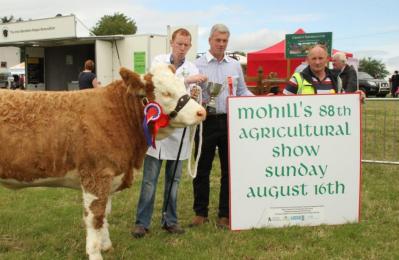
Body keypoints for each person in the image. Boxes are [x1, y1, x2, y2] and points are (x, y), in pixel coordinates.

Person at [132, 28, 207, 238]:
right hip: (159, 130)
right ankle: (142, 222)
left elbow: (194, 100)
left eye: (186, 45)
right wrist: (187, 81)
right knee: (149, 180)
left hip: (179, 131)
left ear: (190, 47)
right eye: (179, 43)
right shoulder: (159, 62)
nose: (182, 48)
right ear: (172, 43)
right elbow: (159, 86)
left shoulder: (193, 67)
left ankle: (170, 220)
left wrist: (195, 94)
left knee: (173, 180)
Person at [191, 24, 254, 229]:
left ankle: (224, 214)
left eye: (224, 41)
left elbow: (243, 91)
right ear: (209, 40)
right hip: (205, 122)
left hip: (229, 122)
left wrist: (261, 101)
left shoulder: (234, 65)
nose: (221, 44)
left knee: (229, 169)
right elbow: (189, 93)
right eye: (217, 40)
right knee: (202, 169)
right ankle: (200, 213)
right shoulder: (196, 65)